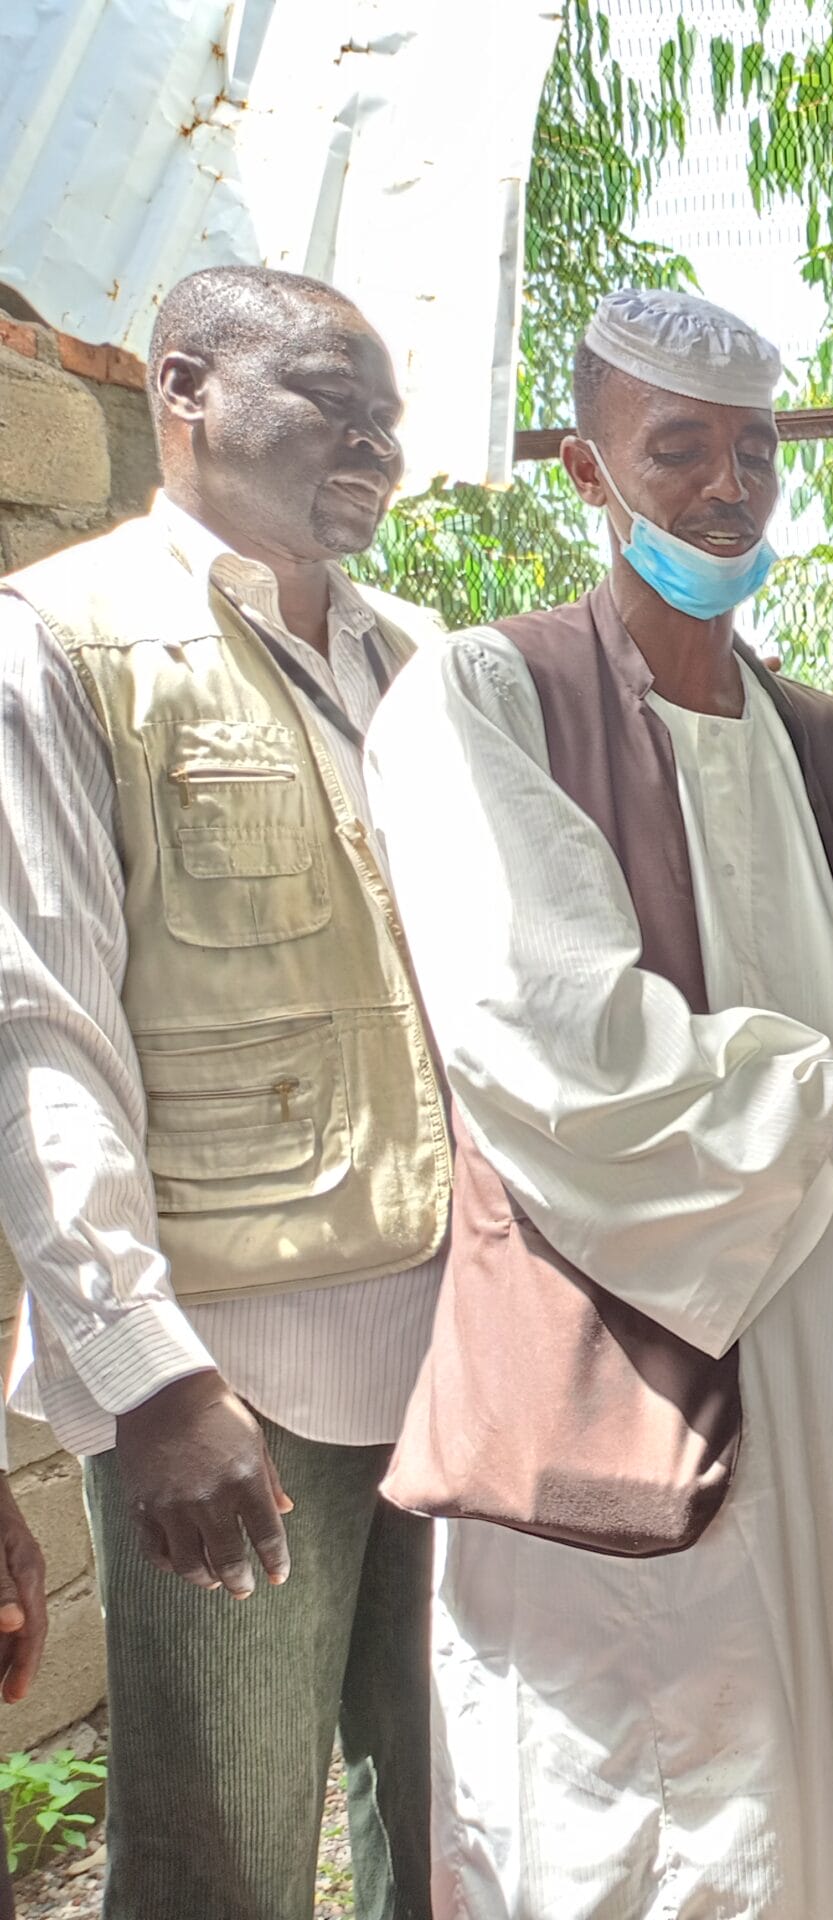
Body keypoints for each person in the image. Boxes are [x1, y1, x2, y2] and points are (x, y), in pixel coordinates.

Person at [361, 288, 833, 1917]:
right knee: (647, 1806)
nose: (726, 486)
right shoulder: (485, 699)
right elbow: (557, 1042)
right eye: (677, 449)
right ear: (585, 472)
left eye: (753, 451)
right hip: (634, 1341)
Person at [0, 266, 444, 1918]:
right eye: (335, 402)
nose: (376, 450)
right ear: (180, 389)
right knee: (221, 1871)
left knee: (462, 1843)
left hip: (455, 1358)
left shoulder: (422, 665)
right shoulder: (62, 645)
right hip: (232, 1382)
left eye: (390, 420)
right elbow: (36, 1029)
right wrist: (148, 1380)